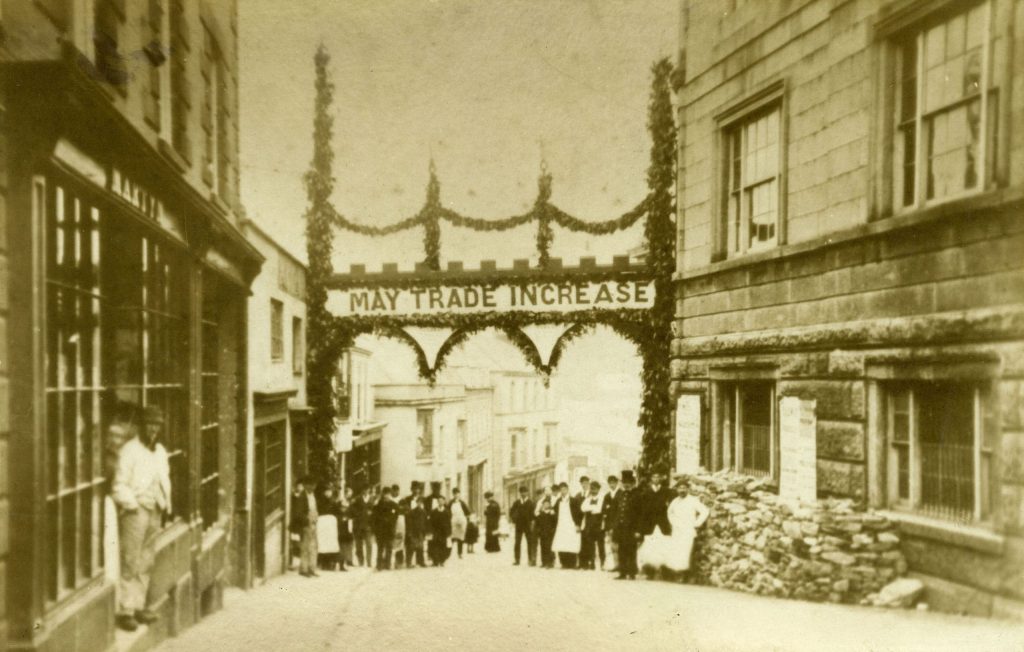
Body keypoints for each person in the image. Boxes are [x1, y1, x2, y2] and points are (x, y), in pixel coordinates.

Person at [111, 404, 172, 631]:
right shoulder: (130, 451)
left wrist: (165, 504)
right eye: (149, 424)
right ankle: (125, 609)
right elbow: (118, 485)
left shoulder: (160, 452)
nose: (153, 429)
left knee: (146, 560)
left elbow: (164, 480)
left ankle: (138, 606)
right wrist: (132, 505)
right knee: (130, 559)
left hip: (154, 509)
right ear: (141, 426)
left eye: (156, 425)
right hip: (135, 511)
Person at [663, 478, 710, 582]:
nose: (682, 490)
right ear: (677, 490)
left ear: (688, 489)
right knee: (677, 552)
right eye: (680, 488)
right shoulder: (675, 501)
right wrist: (673, 523)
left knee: (686, 552)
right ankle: (678, 574)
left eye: (684, 488)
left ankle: (685, 576)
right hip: (677, 530)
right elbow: (669, 513)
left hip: (688, 530)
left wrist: (696, 523)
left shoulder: (693, 500)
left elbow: (705, 511)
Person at [637, 471, 675, 578]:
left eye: (658, 477)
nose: (656, 479)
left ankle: (666, 572)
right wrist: (641, 527)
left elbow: (672, 505)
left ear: (661, 479)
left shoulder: (667, 491)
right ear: (651, 479)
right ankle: (650, 571)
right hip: (650, 524)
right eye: (654, 477)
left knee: (664, 547)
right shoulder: (645, 492)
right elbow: (642, 511)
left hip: (663, 523)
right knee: (650, 548)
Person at [290, 475, 320, 579]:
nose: (313, 487)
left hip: (313, 523)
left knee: (313, 547)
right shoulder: (302, 497)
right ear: (306, 485)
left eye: (314, 485)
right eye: (311, 485)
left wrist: (315, 518)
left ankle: (312, 568)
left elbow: (315, 508)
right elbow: (298, 513)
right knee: (305, 547)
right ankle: (304, 569)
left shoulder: (313, 496)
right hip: (305, 524)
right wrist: (307, 520)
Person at [613, 471, 641, 580]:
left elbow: (641, 514)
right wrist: (614, 526)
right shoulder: (620, 494)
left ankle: (632, 572)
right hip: (620, 528)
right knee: (621, 550)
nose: (626, 484)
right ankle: (622, 572)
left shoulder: (637, 495)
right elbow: (615, 511)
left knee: (631, 550)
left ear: (633, 483)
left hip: (631, 528)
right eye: (624, 482)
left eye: (629, 482)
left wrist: (638, 530)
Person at [551, 482, 582, 569]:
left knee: (571, 543)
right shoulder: (558, 501)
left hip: (571, 524)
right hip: (561, 525)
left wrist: (578, 524)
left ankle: (572, 563)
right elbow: (554, 512)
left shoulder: (574, 500)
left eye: (564, 489)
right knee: (562, 543)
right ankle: (563, 563)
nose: (563, 491)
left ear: (567, 489)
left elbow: (579, 514)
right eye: (561, 489)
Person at [580, 480, 605, 570]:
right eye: (592, 489)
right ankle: (592, 563)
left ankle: (603, 563)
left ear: (598, 489)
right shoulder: (588, 498)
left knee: (601, 545)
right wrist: (591, 508)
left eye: (595, 489)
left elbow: (599, 509)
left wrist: (590, 509)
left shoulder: (602, 498)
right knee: (590, 545)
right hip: (589, 525)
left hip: (598, 524)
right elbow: (583, 508)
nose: (593, 491)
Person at [372, 486, 399, 570]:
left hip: (389, 529)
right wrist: (375, 529)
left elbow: (396, 515)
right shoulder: (378, 504)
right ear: (383, 494)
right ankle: (379, 565)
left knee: (389, 547)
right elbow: (374, 517)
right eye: (385, 494)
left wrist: (391, 521)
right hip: (380, 529)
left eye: (388, 494)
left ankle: (387, 564)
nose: (386, 496)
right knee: (380, 548)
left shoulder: (393, 504)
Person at [401, 482, 427, 568]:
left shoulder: (423, 499)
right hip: (410, 524)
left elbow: (425, 512)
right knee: (410, 543)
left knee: (420, 543)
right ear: (411, 489)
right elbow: (405, 511)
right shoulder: (407, 499)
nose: (416, 491)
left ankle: (420, 561)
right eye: (414, 489)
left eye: (418, 489)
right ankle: (408, 562)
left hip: (420, 524)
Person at [510, 485, 536, 566]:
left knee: (530, 543)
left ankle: (530, 559)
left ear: (527, 493)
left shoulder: (531, 503)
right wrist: (514, 520)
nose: (523, 494)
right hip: (519, 525)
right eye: (521, 492)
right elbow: (511, 512)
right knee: (517, 542)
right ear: (520, 493)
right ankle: (517, 559)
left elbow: (534, 514)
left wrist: (532, 522)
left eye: (525, 492)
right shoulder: (517, 503)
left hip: (528, 525)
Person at [428, 485, 452, 566]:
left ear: (444, 502)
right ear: (437, 502)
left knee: (444, 547)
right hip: (436, 532)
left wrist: (449, 532)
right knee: (435, 546)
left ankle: (442, 560)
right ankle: (435, 561)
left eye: (442, 501)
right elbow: (431, 522)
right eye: (439, 501)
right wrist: (431, 531)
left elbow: (449, 523)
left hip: (444, 532)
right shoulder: (434, 512)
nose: (440, 502)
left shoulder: (447, 512)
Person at [534, 487, 557, 569]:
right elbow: (538, 522)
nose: (546, 505)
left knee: (550, 547)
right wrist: (538, 530)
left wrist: (553, 530)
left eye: (548, 504)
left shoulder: (552, 513)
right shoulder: (541, 513)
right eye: (544, 504)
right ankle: (544, 562)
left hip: (550, 533)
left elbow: (555, 522)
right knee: (543, 546)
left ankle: (550, 562)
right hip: (543, 533)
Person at [352, 486, 375, 567]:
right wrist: (358, 514)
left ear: (369, 490)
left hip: (368, 525)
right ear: (362, 490)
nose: (365, 491)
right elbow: (352, 509)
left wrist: (371, 513)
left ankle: (369, 562)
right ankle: (361, 561)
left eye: (367, 489)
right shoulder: (357, 499)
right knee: (359, 544)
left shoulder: (372, 499)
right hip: (358, 525)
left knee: (369, 544)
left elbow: (375, 510)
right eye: (364, 489)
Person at [604, 475, 622, 573]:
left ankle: (620, 564)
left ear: (617, 483)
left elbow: (619, 511)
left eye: (614, 482)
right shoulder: (607, 496)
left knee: (619, 545)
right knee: (612, 546)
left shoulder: (621, 494)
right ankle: (615, 564)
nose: (612, 484)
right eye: (610, 483)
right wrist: (607, 526)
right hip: (609, 524)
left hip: (619, 524)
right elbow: (605, 511)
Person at [449, 488, 471, 559]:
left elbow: (468, 512)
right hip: (453, 521)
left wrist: (466, 520)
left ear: (459, 494)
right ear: (453, 494)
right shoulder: (450, 503)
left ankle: (460, 553)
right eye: (455, 493)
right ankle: (448, 553)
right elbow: (447, 512)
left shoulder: (462, 503)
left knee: (460, 538)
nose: (456, 495)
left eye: (457, 493)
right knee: (451, 538)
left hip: (461, 521)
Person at [572, 476, 589, 565]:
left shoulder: (591, 494)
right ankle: (582, 562)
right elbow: (575, 511)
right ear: (581, 484)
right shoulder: (578, 496)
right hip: (580, 521)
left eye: (586, 483)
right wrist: (577, 524)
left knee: (588, 542)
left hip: (589, 522)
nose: (584, 484)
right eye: (583, 483)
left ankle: (589, 562)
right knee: (580, 542)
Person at [338, 486, 354, 570]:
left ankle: (347, 561)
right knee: (343, 546)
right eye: (349, 494)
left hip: (348, 527)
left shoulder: (350, 502)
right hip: (342, 528)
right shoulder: (341, 501)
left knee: (347, 545)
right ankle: (342, 563)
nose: (350, 495)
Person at [391, 484, 407, 569]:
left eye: (397, 490)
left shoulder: (402, 500)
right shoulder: (389, 500)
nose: (395, 492)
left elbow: (405, 510)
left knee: (400, 539)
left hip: (400, 520)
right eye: (394, 490)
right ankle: (390, 562)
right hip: (391, 522)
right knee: (392, 540)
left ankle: (399, 561)